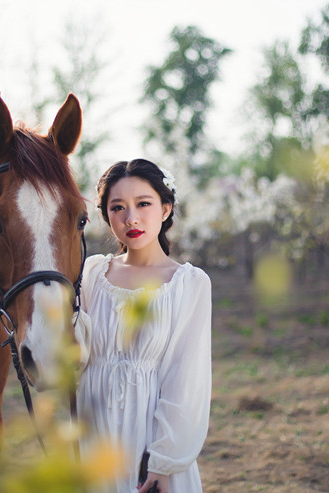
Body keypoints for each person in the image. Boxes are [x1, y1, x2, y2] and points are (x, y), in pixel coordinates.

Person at [74, 159, 212, 493]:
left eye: (143, 204)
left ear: (165, 209)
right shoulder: (91, 274)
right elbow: (72, 357)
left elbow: (186, 377)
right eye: (117, 207)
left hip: (150, 443)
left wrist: (163, 461)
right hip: (94, 441)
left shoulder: (188, 284)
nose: (130, 218)